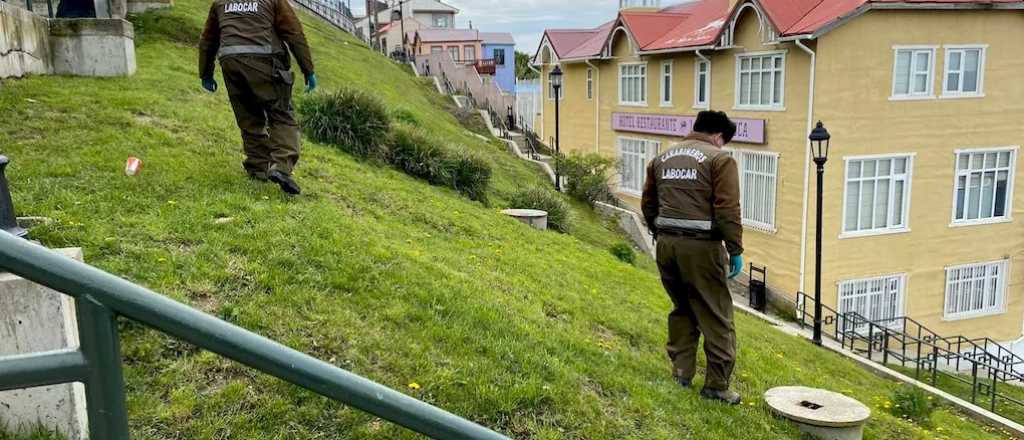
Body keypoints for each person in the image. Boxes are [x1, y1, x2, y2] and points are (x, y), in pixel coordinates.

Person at [641, 110, 744, 405]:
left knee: (682, 308)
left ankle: (681, 372)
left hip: (667, 246)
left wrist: (661, 234)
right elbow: (727, 209)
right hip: (702, 249)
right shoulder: (720, 159)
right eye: (723, 141)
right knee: (716, 314)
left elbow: (648, 203)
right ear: (719, 136)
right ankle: (717, 386)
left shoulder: (662, 159)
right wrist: (735, 249)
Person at [198, 0, 318, 195]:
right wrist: (308, 70)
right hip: (265, 62)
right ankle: (281, 166)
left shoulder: (220, 2)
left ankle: (258, 169)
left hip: (231, 63)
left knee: (249, 118)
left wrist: (206, 73)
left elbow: (208, 39)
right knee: (281, 114)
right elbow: (293, 32)